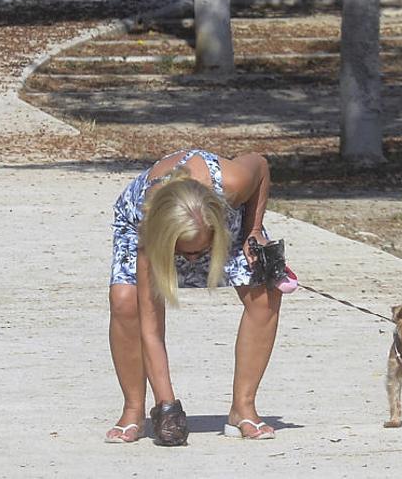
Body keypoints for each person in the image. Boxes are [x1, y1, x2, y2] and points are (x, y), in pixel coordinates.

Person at [104, 148, 283, 445]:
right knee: (125, 302)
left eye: (201, 253)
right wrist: (167, 407)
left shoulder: (233, 184)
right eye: (184, 255)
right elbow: (151, 330)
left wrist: (253, 230)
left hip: (216, 216)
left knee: (264, 294)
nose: (191, 263)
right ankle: (133, 410)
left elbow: (261, 164)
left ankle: (243, 408)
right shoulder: (149, 229)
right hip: (148, 221)